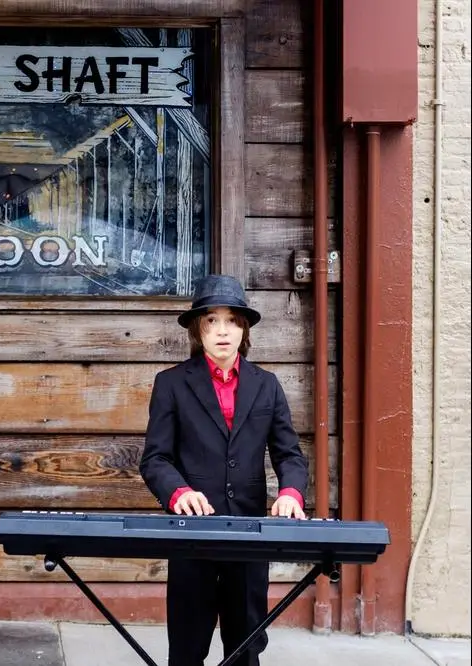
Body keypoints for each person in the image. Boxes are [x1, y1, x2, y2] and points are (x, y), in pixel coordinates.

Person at [139, 274, 310, 666]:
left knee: (246, 647)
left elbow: (289, 455)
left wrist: (290, 493)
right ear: (198, 329)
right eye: (211, 320)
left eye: (232, 320)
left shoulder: (266, 386)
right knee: (187, 646)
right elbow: (155, 458)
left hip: (249, 536)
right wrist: (179, 492)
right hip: (192, 535)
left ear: (243, 329)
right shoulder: (171, 385)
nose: (222, 331)